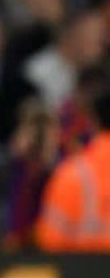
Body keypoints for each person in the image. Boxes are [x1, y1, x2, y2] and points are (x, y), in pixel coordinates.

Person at [35, 80, 110, 252]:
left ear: (93, 121)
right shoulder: (72, 173)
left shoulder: (71, 174)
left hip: (82, 266)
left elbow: (51, 241)